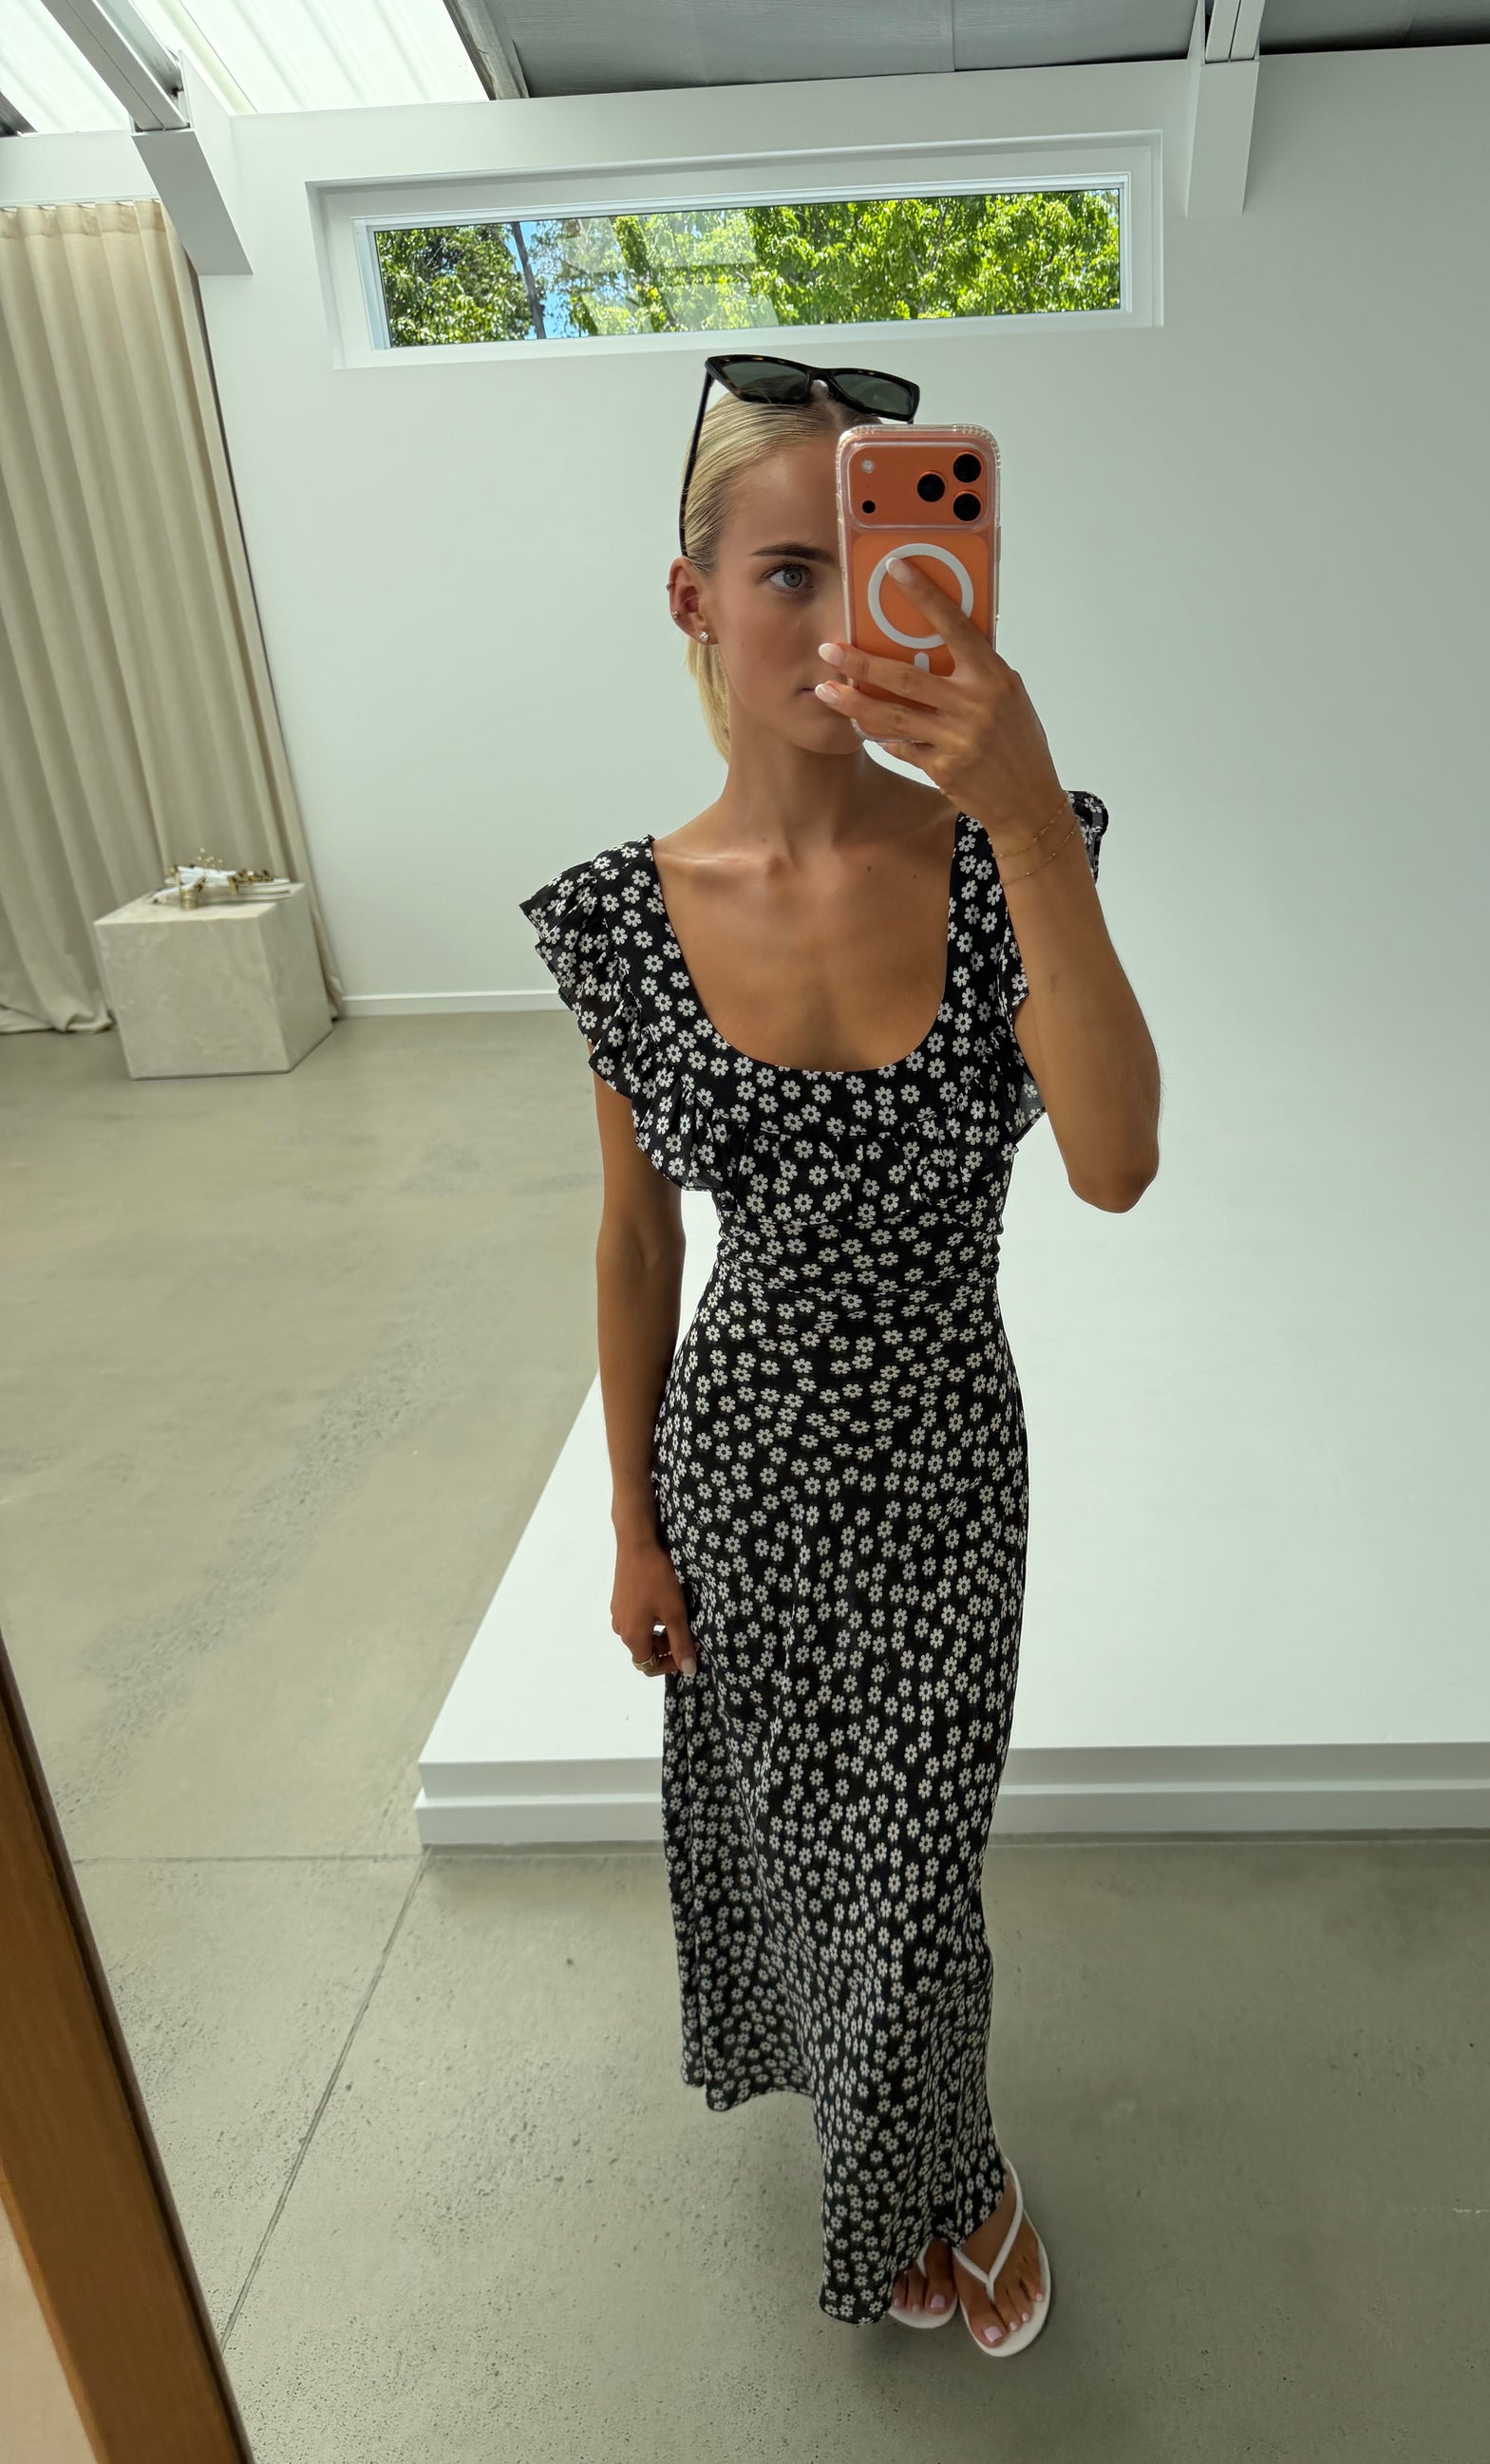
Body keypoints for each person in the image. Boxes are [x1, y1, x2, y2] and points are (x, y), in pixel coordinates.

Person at [519, 360, 1160, 2351]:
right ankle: (926, 2174)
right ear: (694, 597)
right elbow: (637, 1236)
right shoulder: (620, 920)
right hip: (741, 1472)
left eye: (879, 561)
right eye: (786, 569)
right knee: (799, 1858)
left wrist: (1024, 812)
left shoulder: (1005, 860)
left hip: (942, 1460)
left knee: (916, 1876)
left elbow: (1116, 1162)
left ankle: (934, 2175)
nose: (835, 618)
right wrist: (630, 1524)